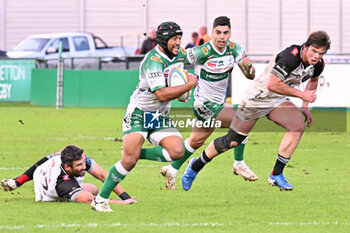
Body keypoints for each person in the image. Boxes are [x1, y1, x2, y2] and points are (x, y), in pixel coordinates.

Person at [182, 30, 331, 191]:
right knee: (232, 141)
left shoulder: (318, 64)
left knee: (297, 127)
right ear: (306, 47)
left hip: (277, 99)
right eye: (314, 51)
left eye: (321, 53)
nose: (316, 56)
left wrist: (305, 106)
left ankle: (276, 174)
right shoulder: (291, 56)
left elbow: (313, 80)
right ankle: (195, 166)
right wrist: (302, 94)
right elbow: (272, 85)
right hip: (257, 98)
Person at [91, 21, 198, 212]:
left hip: (159, 115)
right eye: (174, 39)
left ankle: (135, 152)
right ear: (164, 40)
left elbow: (198, 56)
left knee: (177, 152)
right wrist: (188, 86)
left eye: (180, 39)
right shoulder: (153, 61)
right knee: (128, 162)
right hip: (140, 113)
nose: (178, 43)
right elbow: (161, 94)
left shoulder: (179, 54)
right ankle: (100, 200)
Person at [160, 16, 257, 190]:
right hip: (203, 104)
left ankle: (172, 169)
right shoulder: (202, 52)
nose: (222, 37)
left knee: (195, 141)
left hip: (218, 104)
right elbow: (177, 57)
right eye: (218, 32)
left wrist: (249, 68)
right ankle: (238, 163)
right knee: (242, 120)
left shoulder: (235, 49)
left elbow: (250, 75)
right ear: (212, 33)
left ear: (230, 33)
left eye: (225, 33)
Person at [1, 145, 136, 204]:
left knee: (94, 189)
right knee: (89, 193)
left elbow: (102, 175)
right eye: (79, 165)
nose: (84, 166)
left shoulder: (76, 158)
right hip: (47, 193)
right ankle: (18, 181)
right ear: (67, 167)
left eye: (84, 163)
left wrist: (125, 196)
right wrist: (122, 203)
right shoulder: (62, 183)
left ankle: (17, 181)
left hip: (44, 171)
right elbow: (88, 200)